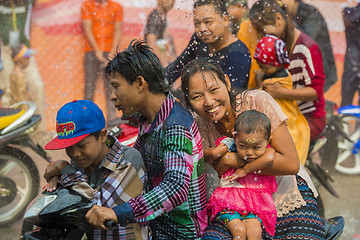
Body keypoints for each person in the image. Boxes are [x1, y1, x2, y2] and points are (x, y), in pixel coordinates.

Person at [180, 58, 325, 239]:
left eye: (213, 90)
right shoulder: (197, 124)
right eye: (197, 96)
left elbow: (291, 164)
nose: (208, 102)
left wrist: (231, 160)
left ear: (226, 82)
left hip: (285, 192)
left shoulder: (256, 101)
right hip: (236, 204)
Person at [83, 40, 207, 239]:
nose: (112, 96)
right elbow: (130, 157)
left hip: (181, 233)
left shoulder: (175, 124)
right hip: (156, 227)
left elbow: (176, 187)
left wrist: (119, 213)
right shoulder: (149, 120)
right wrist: (70, 167)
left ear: (140, 83)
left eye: (116, 87)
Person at [43, 99, 147, 239]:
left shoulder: (127, 160)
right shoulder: (79, 162)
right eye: (69, 147)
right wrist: (57, 181)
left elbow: (97, 206)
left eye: (82, 145)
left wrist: (64, 169)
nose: (75, 154)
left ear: (102, 136)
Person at [249, 0, 326, 143]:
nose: (260, 36)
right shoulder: (271, 46)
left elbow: (316, 92)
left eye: (262, 30)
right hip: (285, 116)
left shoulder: (306, 48)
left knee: (283, 155)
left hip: (308, 117)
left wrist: (281, 93)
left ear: (278, 19)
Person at [207, 110, 277, 238]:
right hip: (227, 205)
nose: (249, 152)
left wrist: (245, 170)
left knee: (254, 232)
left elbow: (269, 157)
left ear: (268, 141)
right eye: (243, 146)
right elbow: (212, 154)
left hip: (254, 207)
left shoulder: (267, 152)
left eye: (256, 147)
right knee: (238, 230)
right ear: (235, 138)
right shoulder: (229, 145)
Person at [165, 0, 251, 90]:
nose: (202, 29)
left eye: (208, 22)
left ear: (225, 20)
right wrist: (157, 84)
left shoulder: (238, 54)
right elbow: (178, 66)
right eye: (197, 23)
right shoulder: (198, 40)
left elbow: (228, 95)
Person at [254, 34, 310, 165]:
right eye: (260, 66)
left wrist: (258, 82)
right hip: (298, 121)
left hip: (288, 127)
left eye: (265, 67)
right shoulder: (286, 73)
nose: (262, 70)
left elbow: (260, 97)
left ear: (276, 63)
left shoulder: (271, 84)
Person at [0, 0, 46, 130]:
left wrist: (23, 54)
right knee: (8, 92)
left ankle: (39, 131)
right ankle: (11, 130)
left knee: (37, 86)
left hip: (24, 48)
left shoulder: (27, 2)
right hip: (4, 48)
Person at [280, 0, 337, 92]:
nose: (280, 2)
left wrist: (286, 18)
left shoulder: (312, 13)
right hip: (300, 70)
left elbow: (305, 41)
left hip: (321, 70)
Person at [81, 0, 122, 122]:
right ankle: (86, 119)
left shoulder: (116, 7)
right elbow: (87, 28)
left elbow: (118, 29)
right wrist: (96, 50)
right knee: (89, 85)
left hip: (110, 51)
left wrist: (113, 52)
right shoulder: (87, 5)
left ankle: (112, 119)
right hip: (92, 51)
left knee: (111, 86)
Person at [144, 0, 176, 67]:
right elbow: (151, 43)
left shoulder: (161, 15)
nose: (171, 2)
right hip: (157, 64)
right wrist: (164, 64)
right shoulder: (155, 17)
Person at [340, 1, 360, 107]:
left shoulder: (349, 11)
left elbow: (351, 19)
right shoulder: (351, 11)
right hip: (352, 63)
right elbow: (352, 19)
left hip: (352, 63)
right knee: (346, 103)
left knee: (346, 102)